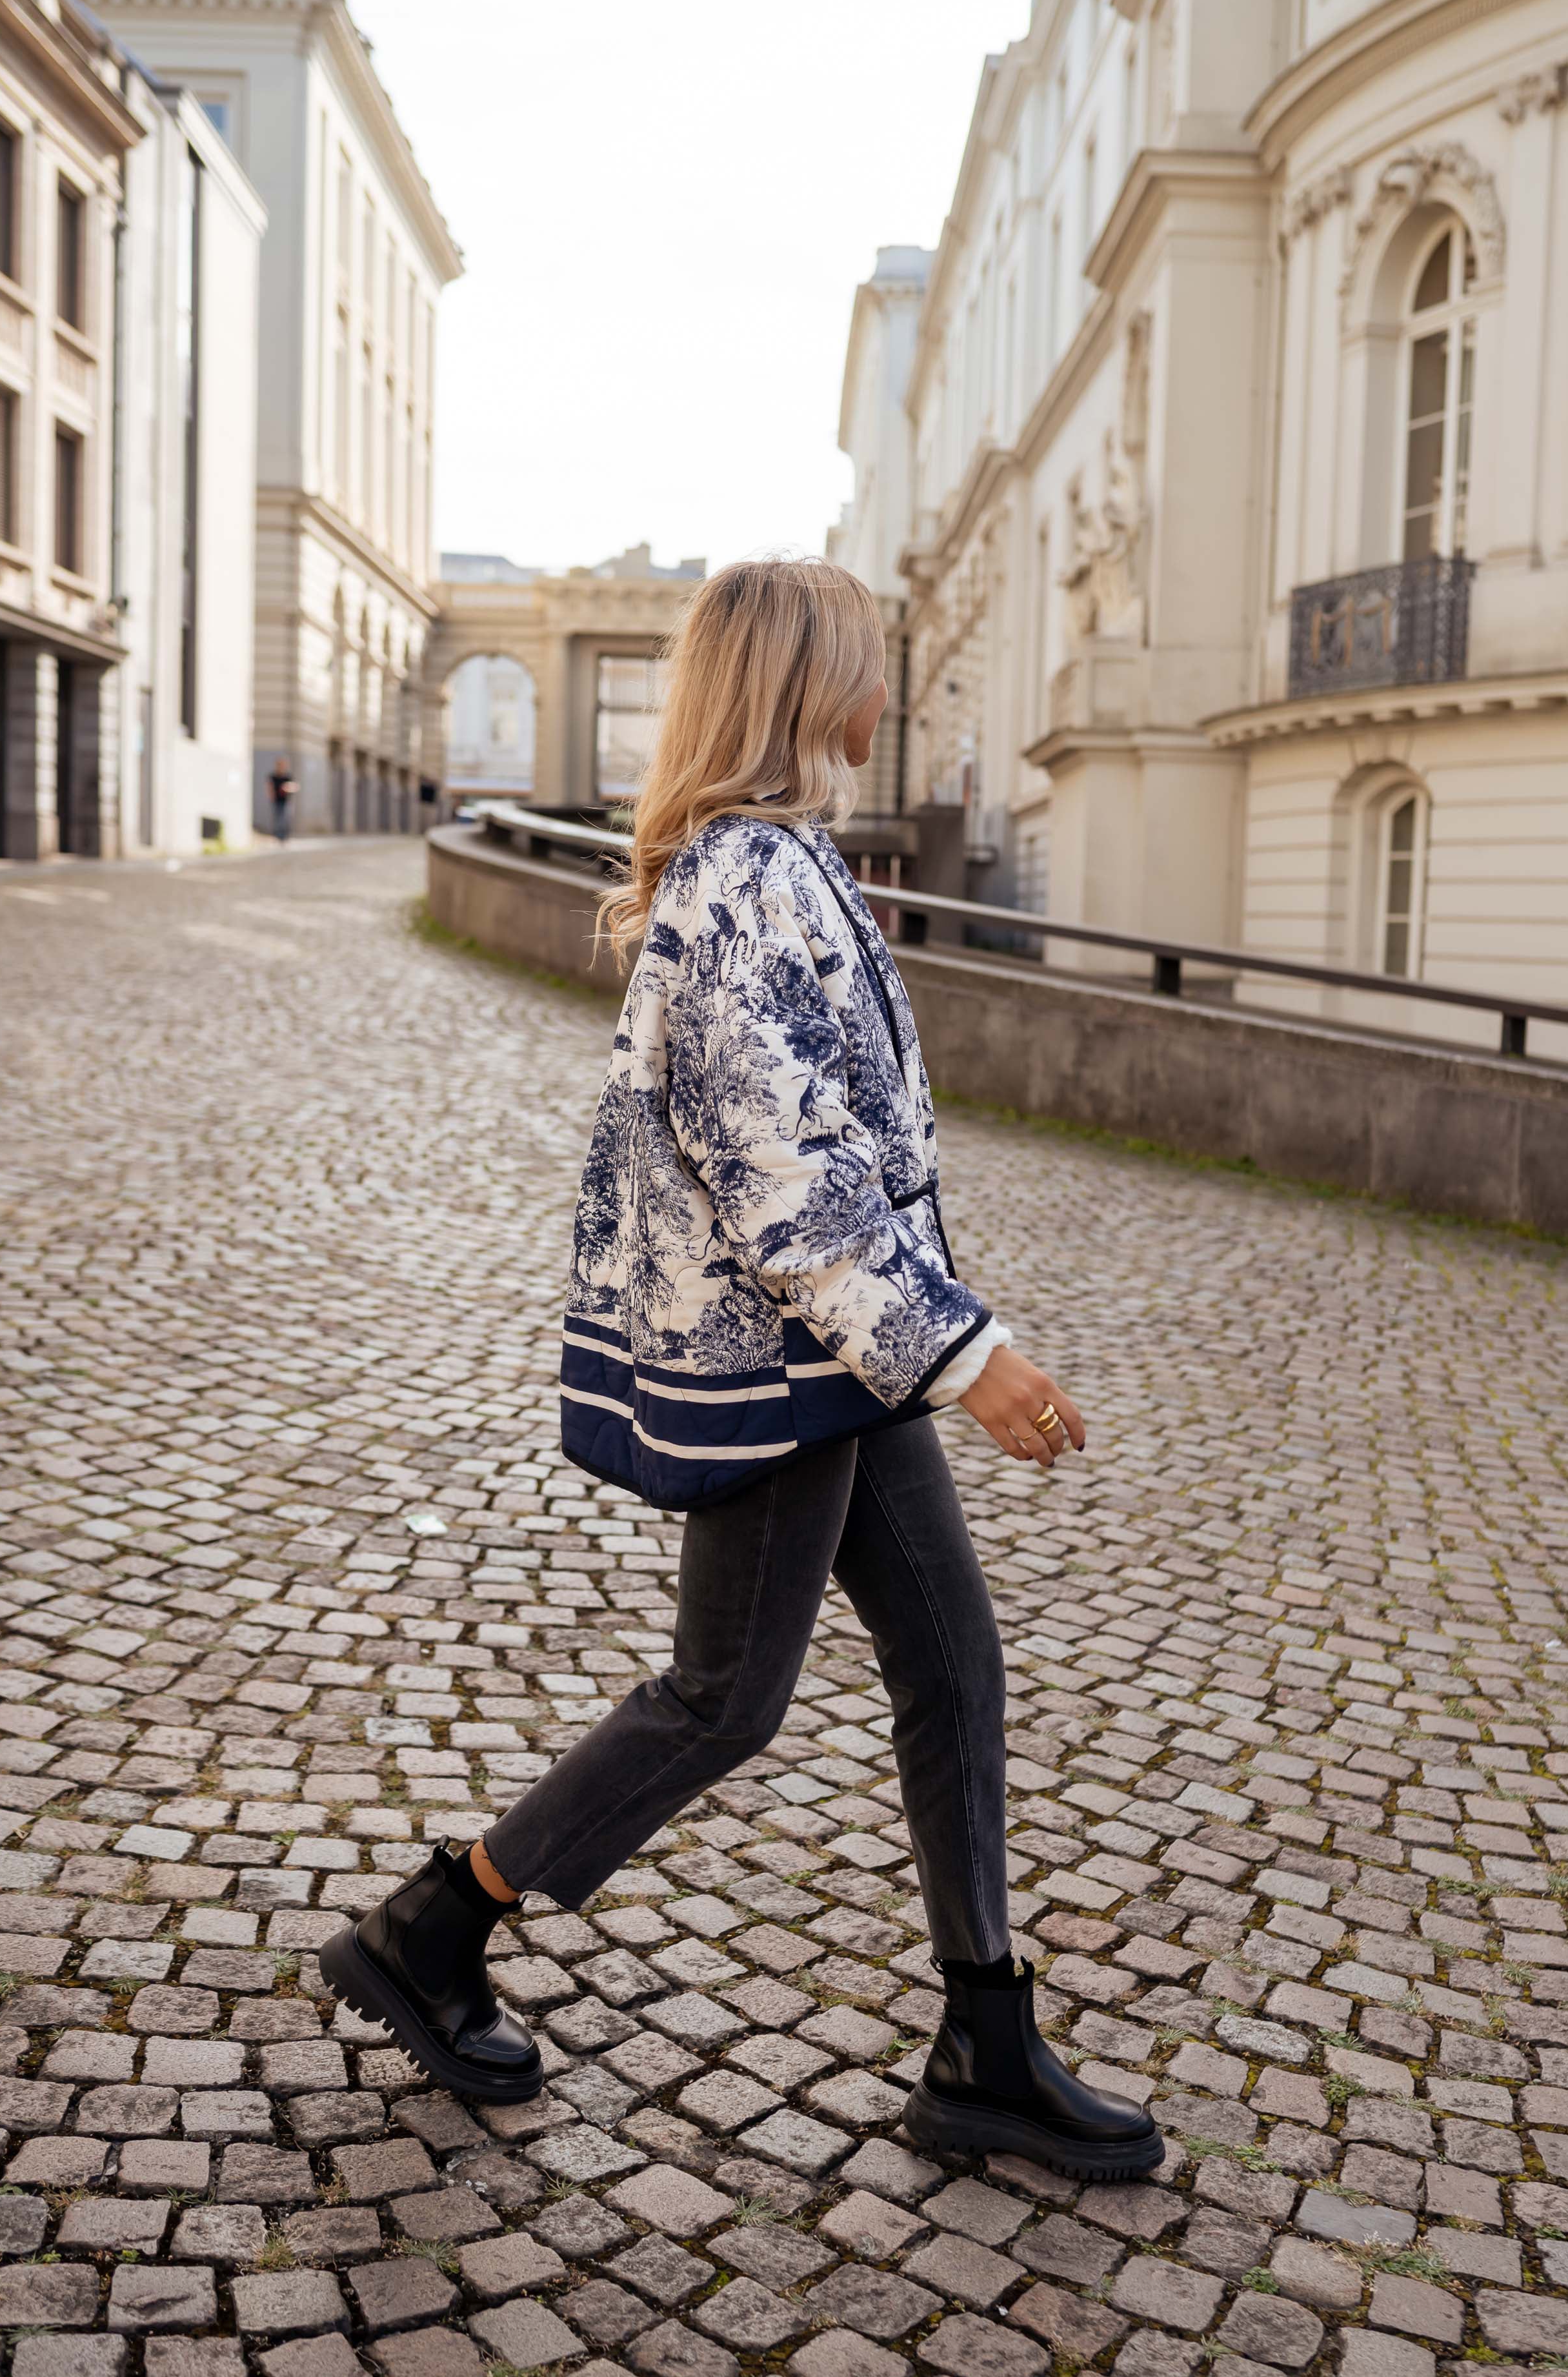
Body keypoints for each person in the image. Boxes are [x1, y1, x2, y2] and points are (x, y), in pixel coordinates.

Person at [322, 558, 1163, 2184]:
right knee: (724, 1697)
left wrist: (923, 1336)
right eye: (863, 660)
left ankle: (983, 2031)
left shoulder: (774, 865)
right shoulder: (743, 881)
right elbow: (786, 1179)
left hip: (831, 1359)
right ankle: (435, 1927)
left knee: (953, 1663)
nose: (885, 685)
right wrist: (965, 1351)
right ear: (800, 684)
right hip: (784, 1361)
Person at [268, 756, 296, 844]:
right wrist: (271, 797)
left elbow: (295, 787)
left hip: (286, 801)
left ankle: (285, 837)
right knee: (277, 819)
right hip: (277, 801)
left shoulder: (288, 777)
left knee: (286, 819)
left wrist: (288, 788)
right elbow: (270, 787)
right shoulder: (273, 776)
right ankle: (278, 837)